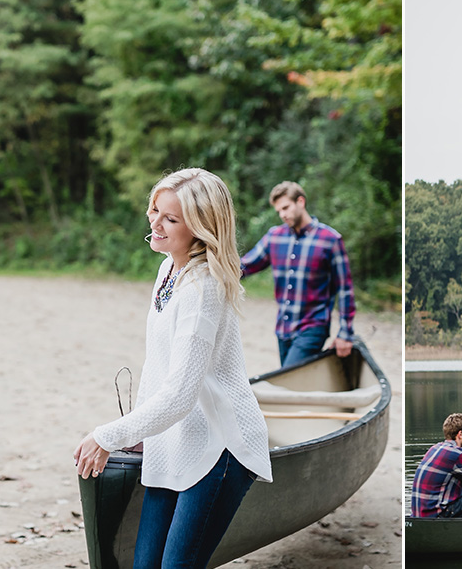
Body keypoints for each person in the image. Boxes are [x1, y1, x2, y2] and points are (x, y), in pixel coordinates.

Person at [74, 168, 272, 568]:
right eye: (154, 211)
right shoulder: (169, 269)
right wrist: (141, 430)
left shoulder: (204, 288)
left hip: (220, 446)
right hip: (173, 441)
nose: (155, 222)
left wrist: (107, 435)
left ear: (201, 227)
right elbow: (159, 370)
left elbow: (180, 393)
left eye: (170, 218)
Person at [240, 181, 356, 368]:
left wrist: (346, 333)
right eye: (279, 211)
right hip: (283, 329)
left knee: (288, 382)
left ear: (300, 202)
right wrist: (209, 267)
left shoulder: (331, 240)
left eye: (286, 207)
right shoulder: (274, 237)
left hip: (313, 327)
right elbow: (244, 266)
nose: (282, 214)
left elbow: (345, 290)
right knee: (295, 385)